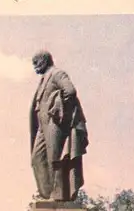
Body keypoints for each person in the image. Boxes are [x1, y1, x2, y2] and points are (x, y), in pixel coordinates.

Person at [29, 50, 89, 201]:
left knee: (55, 159)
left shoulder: (57, 74)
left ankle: (58, 195)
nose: (34, 67)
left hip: (55, 124)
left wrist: (58, 108)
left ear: (43, 60)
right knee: (37, 158)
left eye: (36, 63)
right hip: (43, 127)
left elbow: (70, 91)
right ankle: (46, 192)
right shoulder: (44, 79)